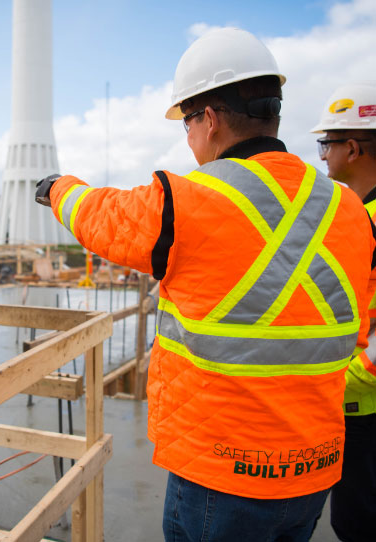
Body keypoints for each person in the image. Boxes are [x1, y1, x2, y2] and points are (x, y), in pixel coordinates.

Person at [36, 28, 376, 541]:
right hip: (315, 468)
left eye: (188, 123)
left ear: (210, 120)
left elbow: (100, 215)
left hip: (221, 473)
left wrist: (56, 188)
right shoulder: (350, 210)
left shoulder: (187, 201)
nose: (189, 138)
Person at [311, 82, 376, 542]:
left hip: (364, 404)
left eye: (326, 144)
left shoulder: (369, 220)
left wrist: (341, 382)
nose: (322, 157)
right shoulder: (359, 212)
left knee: (358, 520)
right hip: (357, 397)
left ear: (351, 147)